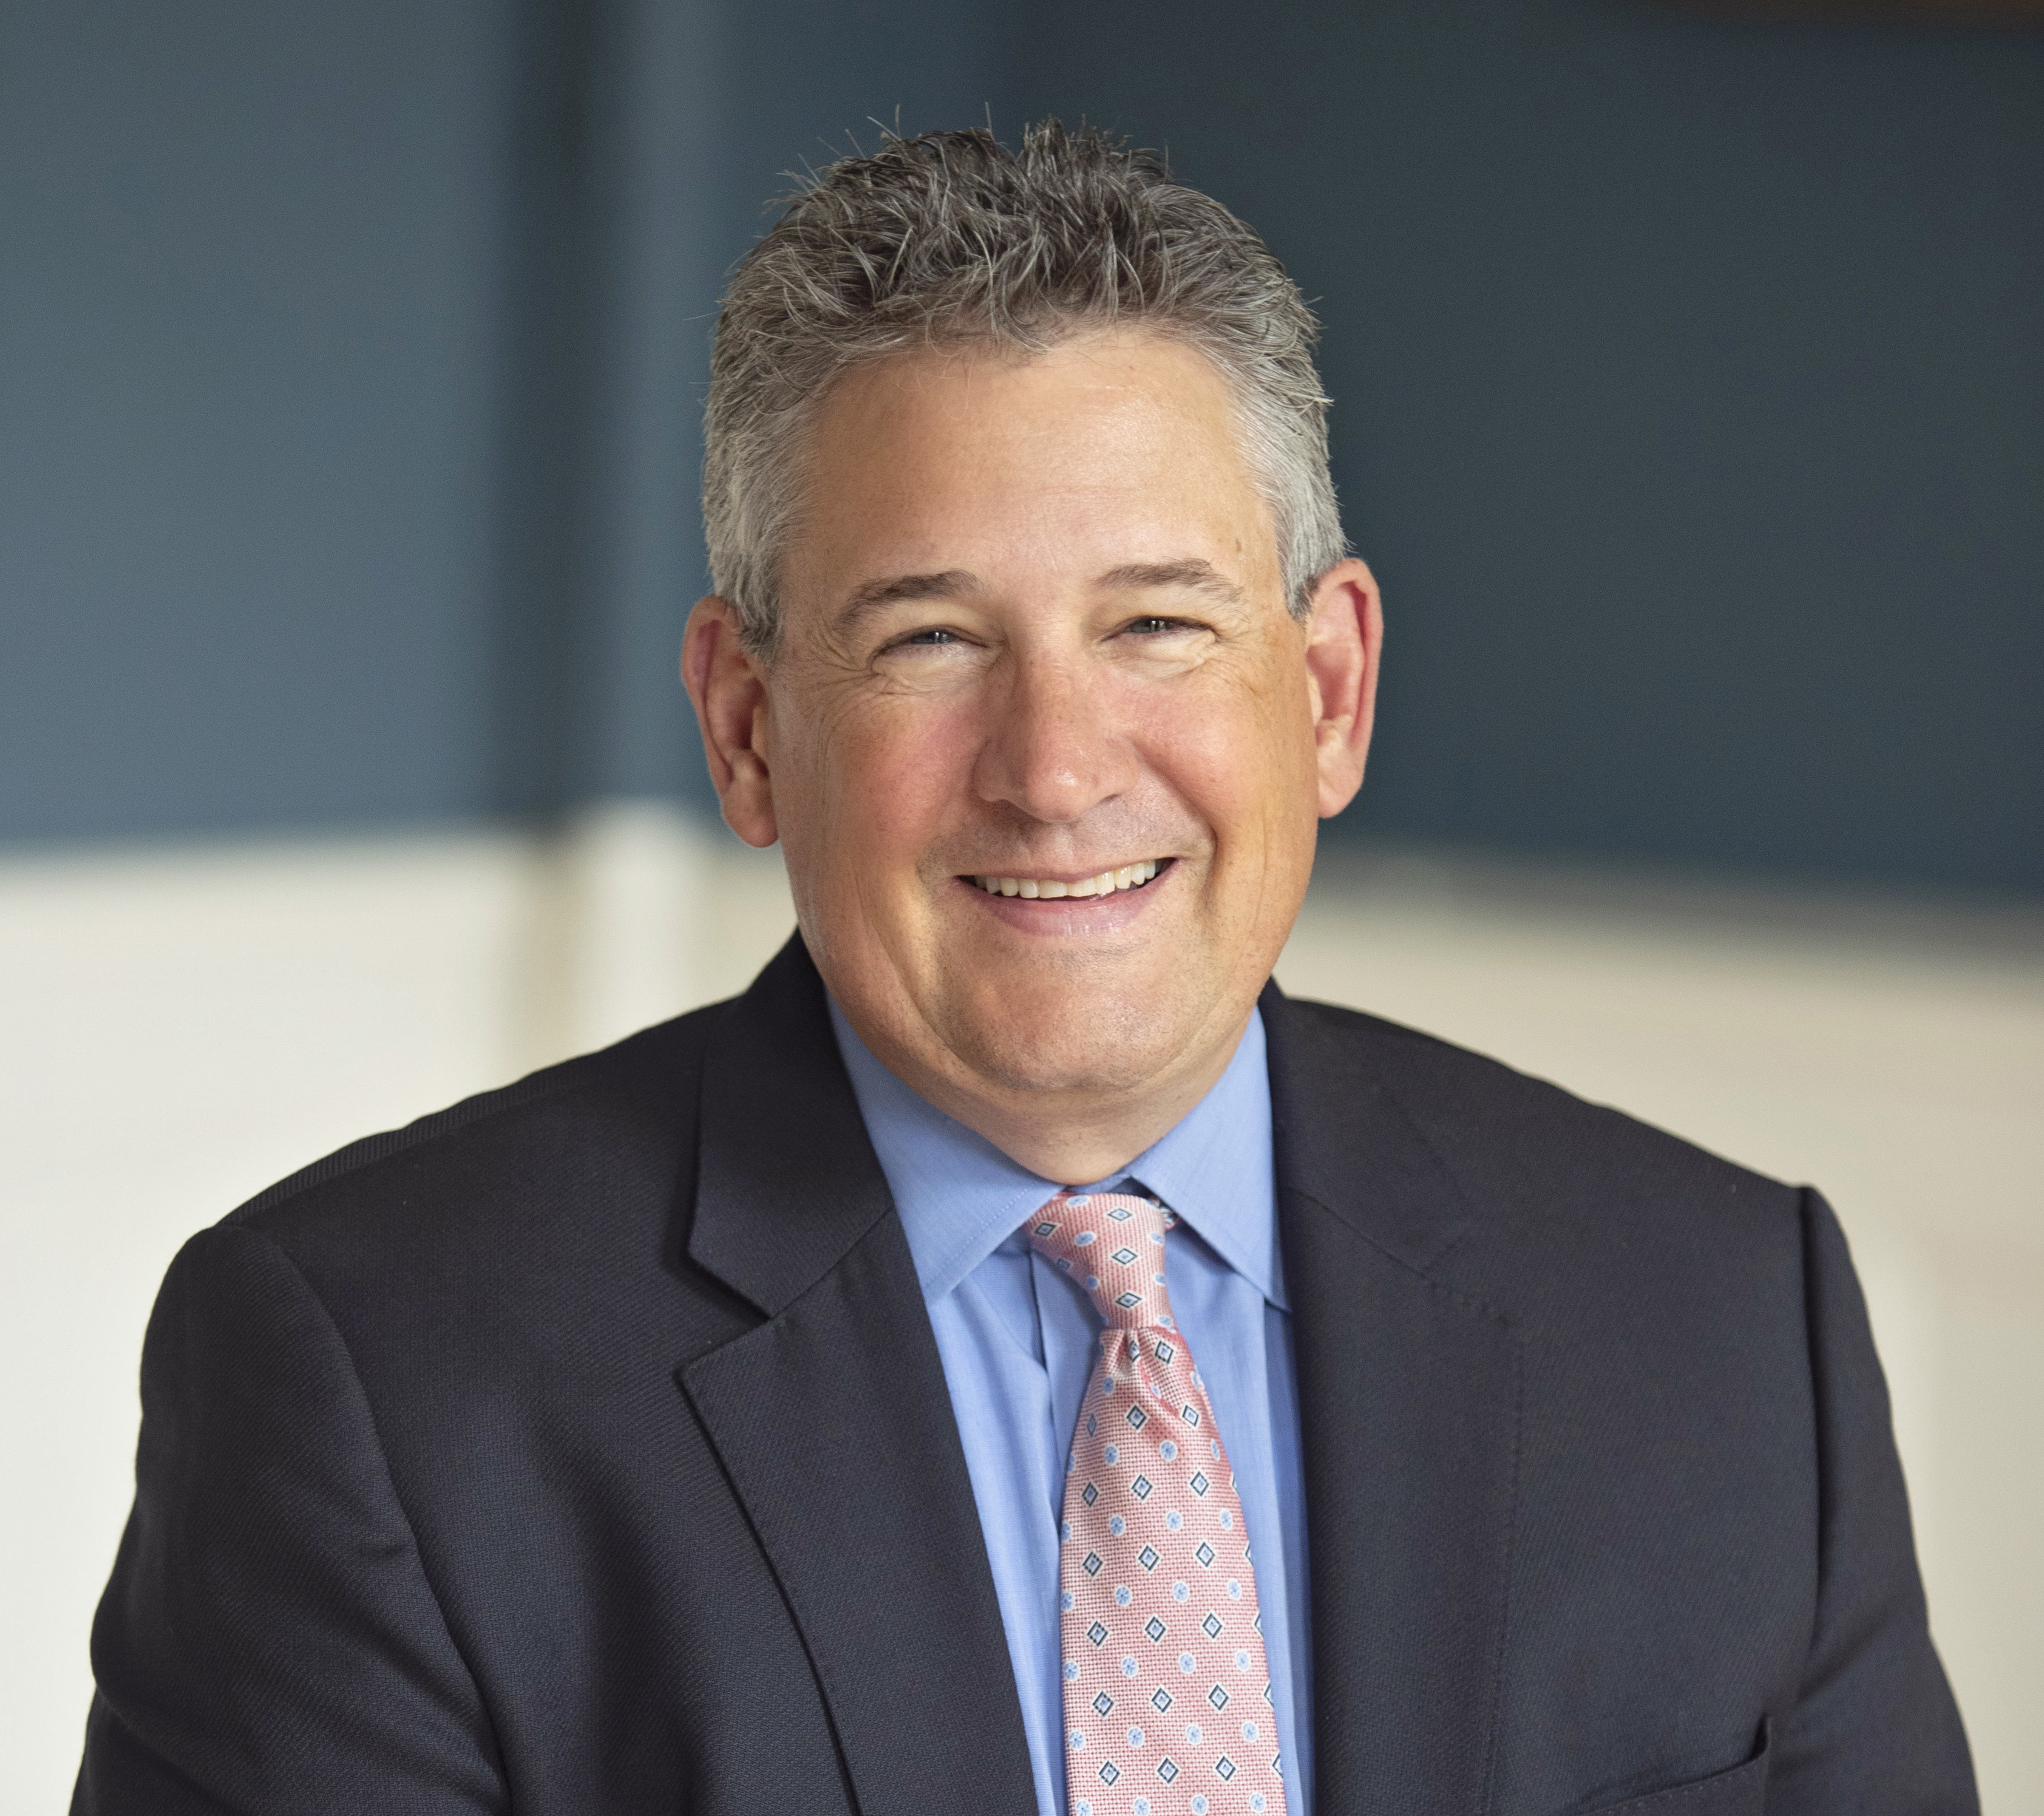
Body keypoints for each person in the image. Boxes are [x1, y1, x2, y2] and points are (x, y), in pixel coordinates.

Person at [75, 124, 1973, 1816]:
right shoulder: (371, 1381)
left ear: (1327, 691)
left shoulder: (1729, 1330)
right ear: (748, 728)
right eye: (926, 641)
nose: (1056, 769)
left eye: (1157, 621)